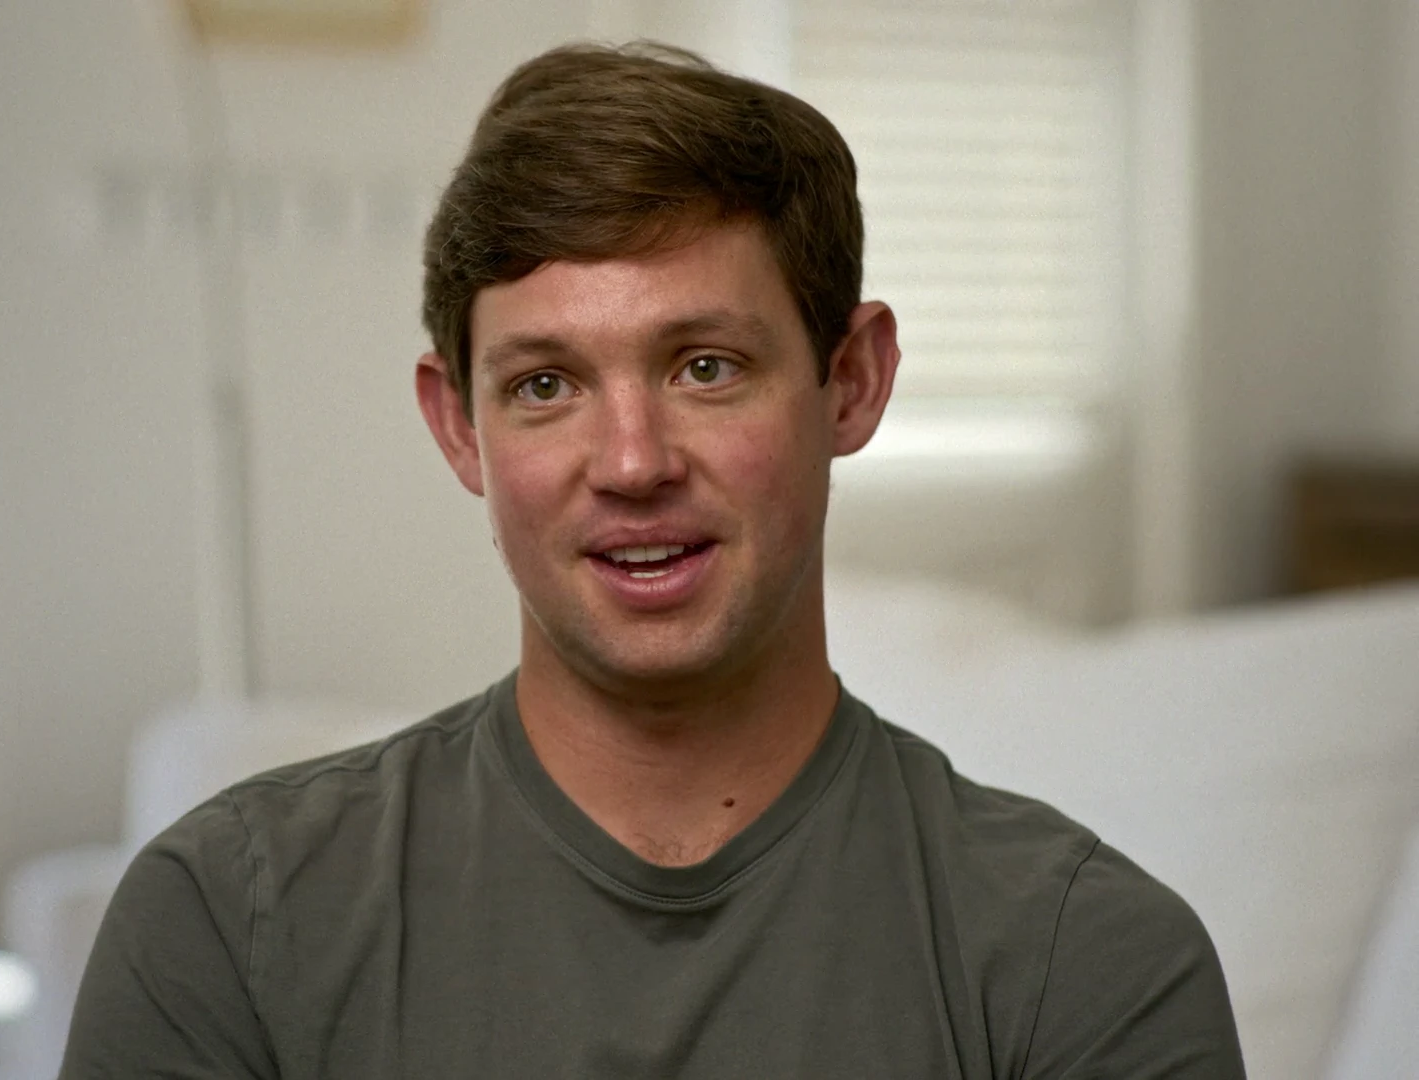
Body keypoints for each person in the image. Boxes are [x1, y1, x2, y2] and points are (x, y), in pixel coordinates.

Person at [61, 42, 1245, 1078]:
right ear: (458, 427)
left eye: (705, 367)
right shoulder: (230, 922)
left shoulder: (1087, 962)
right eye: (545, 385)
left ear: (851, 381)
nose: (632, 463)